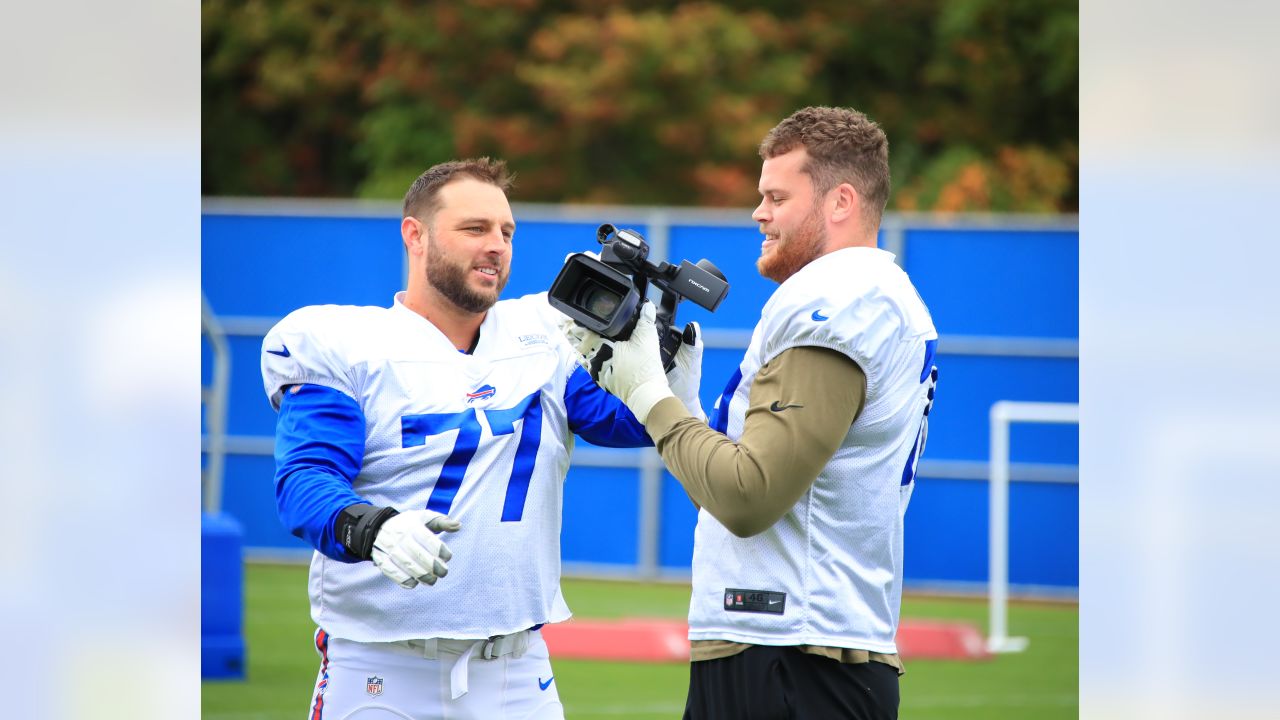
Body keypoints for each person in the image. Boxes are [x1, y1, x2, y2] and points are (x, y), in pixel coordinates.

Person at [259, 158, 700, 720]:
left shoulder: (541, 337)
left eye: (506, 232)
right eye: (475, 228)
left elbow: (621, 421)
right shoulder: (347, 343)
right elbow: (305, 479)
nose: (496, 245)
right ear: (414, 235)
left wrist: (664, 379)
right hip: (383, 669)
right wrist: (372, 527)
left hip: (517, 671)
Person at [570, 106, 939, 719]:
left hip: (794, 653)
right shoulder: (870, 293)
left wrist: (646, 396)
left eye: (776, 196)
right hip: (791, 644)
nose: (758, 213)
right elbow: (727, 493)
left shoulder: (839, 299)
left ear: (840, 201)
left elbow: (749, 497)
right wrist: (681, 404)